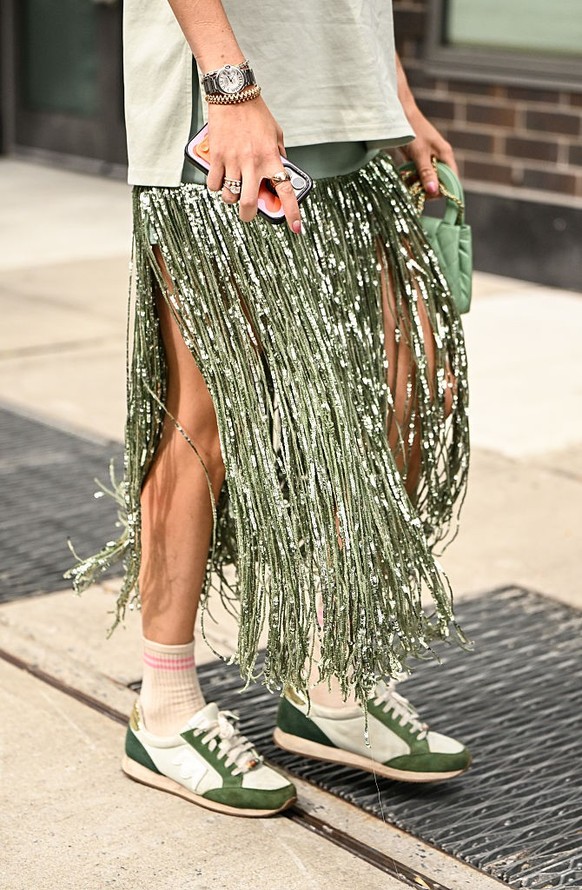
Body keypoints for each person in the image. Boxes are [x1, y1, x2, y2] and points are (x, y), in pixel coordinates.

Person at [69, 0, 471, 816]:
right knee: (206, 420)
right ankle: (166, 710)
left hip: (348, 109)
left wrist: (394, 96)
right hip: (225, 117)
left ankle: (331, 682)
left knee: (393, 395)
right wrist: (230, 88)